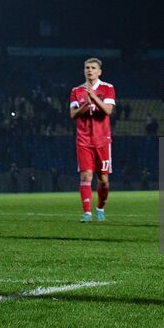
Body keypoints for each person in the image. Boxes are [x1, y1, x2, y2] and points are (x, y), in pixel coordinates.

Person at [70, 57, 116, 222]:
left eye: (93, 68)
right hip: (84, 140)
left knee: (103, 181)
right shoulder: (76, 91)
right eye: (87, 67)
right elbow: (73, 115)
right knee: (86, 176)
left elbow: (108, 110)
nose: (90, 70)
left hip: (102, 140)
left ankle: (100, 208)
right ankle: (87, 213)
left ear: (99, 71)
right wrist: (85, 105)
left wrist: (94, 98)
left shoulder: (107, 88)